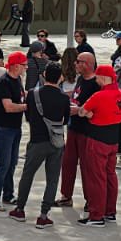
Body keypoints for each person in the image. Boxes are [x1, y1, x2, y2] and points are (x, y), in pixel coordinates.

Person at [12, 62, 70, 226]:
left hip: (37, 140)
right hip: (56, 142)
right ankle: (44, 215)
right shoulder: (64, 98)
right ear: (60, 78)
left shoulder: (33, 94)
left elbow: (28, 116)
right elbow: (65, 120)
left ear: (44, 75)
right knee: (52, 179)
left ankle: (20, 209)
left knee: (27, 175)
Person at [74, 63, 121, 226]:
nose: (96, 80)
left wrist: (90, 115)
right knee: (110, 175)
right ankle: (110, 211)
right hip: (113, 140)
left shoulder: (99, 96)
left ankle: (96, 215)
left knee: (96, 178)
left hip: (97, 139)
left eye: (97, 77)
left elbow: (82, 111)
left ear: (103, 78)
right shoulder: (120, 94)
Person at [56, 51, 101, 210]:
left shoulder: (96, 84)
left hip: (86, 131)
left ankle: (90, 199)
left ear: (87, 64)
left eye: (79, 61)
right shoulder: (81, 79)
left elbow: (96, 108)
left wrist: (79, 110)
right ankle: (66, 195)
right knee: (68, 162)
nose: (75, 64)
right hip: (73, 127)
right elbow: (76, 97)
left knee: (87, 167)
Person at [0, 52, 28, 210]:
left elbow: (21, 97)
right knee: (4, 163)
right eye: (24, 65)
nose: (26, 68)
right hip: (3, 128)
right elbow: (8, 107)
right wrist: (27, 106)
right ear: (16, 66)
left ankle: (8, 194)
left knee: (12, 163)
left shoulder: (18, 80)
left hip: (15, 127)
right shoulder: (4, 82)